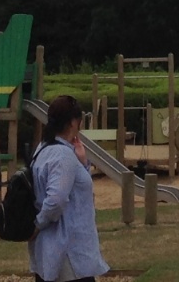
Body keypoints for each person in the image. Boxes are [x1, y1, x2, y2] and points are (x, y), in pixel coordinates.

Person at [29, 94, 109, 282]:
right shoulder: (63, 155)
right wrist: (37, 225)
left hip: (48, 250)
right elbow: (56, 200)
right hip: (68, 253)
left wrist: (82, 162)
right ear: (73, 122)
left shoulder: (42, 148)